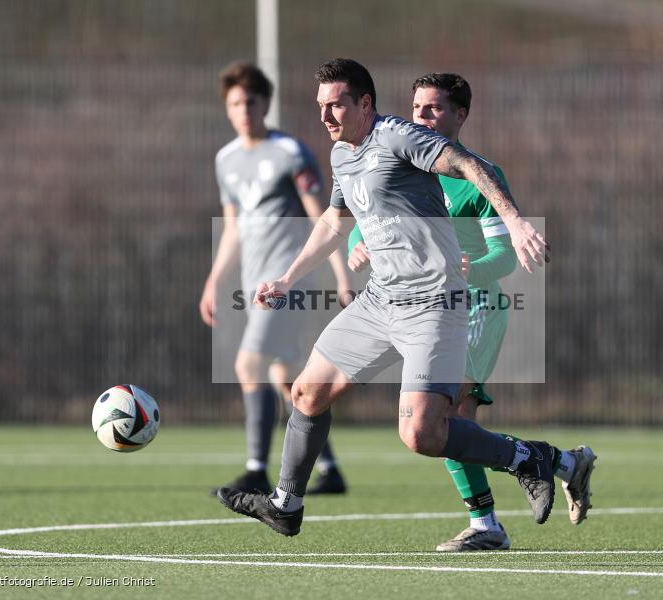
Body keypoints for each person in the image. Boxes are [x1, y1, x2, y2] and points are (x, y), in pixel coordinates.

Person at [217, 58, 576, 539]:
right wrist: (286, 277)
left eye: (337, 104)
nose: (325, 115)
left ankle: (528, 458)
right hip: (379, 300)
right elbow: (333, 221)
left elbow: (469, 164)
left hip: (433, 303)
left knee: (423, 434)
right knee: (306, 392)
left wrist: (513, 220)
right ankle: (286, 504)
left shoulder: (398, 136)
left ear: (365, 103)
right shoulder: (342, 154)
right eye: (320, 105)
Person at [347, 73, 596, 551]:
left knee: (445, 415)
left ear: (460, 115)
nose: (422, 116)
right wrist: (358, 246)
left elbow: (502, 259)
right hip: (421, 309)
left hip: (475, 307)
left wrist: (468, 268)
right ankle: (562, 464)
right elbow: (368, 223)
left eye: (434, 108)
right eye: (417, 108)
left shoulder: (477, 176)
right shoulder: (398, 165)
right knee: (443, 424)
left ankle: (488, 525)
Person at [200, 61, 350, 497]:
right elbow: (234, 230)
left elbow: (325, 217)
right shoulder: (226, 160)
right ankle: (330, 469)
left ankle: (255, 470)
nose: (243, 109)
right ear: (227, 108)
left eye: (251, 101)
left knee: (248, 364)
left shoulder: (291, 152)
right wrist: (214, 282)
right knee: (289, 381)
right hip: (253, 285)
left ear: (266, 103)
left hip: (288, 284)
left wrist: (341, 278)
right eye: (235, 103)